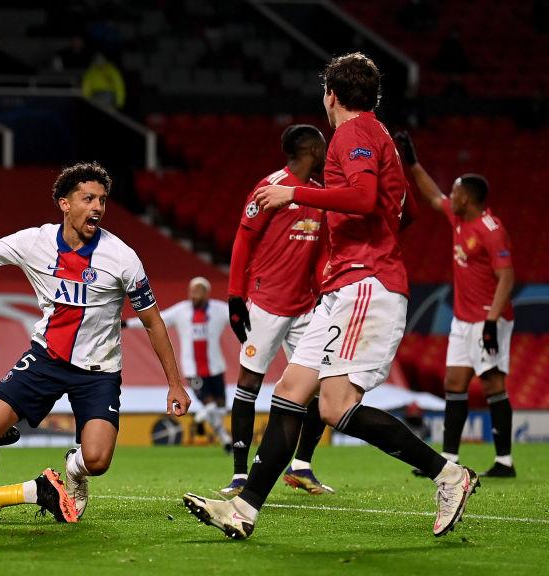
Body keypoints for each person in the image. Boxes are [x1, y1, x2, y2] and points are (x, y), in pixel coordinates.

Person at [183, 53, 478, 539]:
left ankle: (448, 474)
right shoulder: (380, 137)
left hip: (365, 283)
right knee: (291, 391)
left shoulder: (355, 132)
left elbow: (363, 200)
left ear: (331, 95)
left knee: (336, 406)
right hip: (344, 286)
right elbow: (402, 216)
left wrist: (295, 196)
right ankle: (244, 509)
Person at [0, 161, 191, 519]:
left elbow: (153, 322)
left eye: (103, 200)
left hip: (98, 372)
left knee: (96, 460)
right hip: (46, 359)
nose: (98, 207)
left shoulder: (123, 258)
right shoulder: (35, 242)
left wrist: (175, 383)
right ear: (65, 203)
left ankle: (74, 470)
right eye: (88, 198)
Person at [395, 132, 517, 477]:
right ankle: (448, 458)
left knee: (493, 383)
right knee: (454, 383)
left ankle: (504, 462)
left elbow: (507, 278)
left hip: (487, 318)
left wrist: (491, 322)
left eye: (458, 191)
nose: (453, 195)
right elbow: (433, 196)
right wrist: (413, 162)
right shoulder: (459, 217)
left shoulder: (491, 230)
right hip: (463, 320)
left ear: (471, 198)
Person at [223, 124, 333, 497]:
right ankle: (240, 474)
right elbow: (245, 237)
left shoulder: (319, 196)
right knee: (249, 384)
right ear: (311, 150)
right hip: (266, 303)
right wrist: (236, 296)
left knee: (315, 386)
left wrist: (322, 291)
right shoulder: (270, 187)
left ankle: (302, 466)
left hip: (305, 307)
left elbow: (318, 252)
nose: (326, 151)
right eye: (322, 146)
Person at [125, 277, 230, 450]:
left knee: (220, 409)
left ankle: (225, 439)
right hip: (193, 371)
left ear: (206, 293)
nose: (194, 295)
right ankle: (200, 419)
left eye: (198, 291)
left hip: (216, 368)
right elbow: (154, 319)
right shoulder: (181, 311)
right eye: (192, 291)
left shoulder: (219, 310)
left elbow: (240, 315)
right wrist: (126, 323)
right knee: (209, 404)